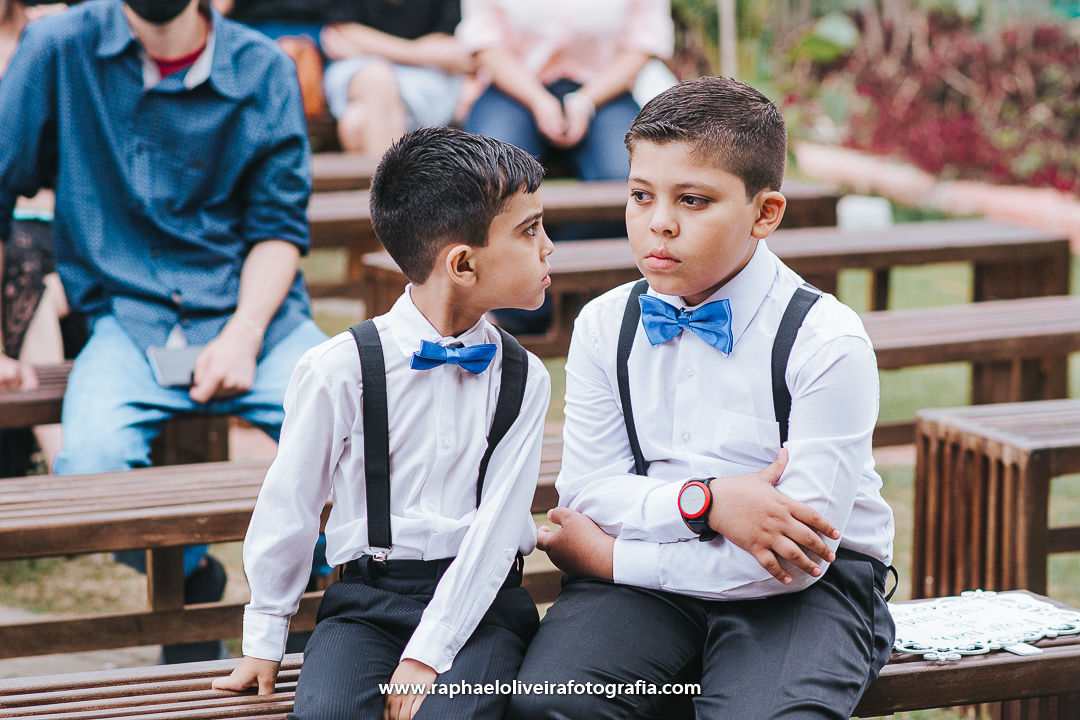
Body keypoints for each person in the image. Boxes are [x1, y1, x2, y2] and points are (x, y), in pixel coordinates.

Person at [509, 77, 896, 720]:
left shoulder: (826, 340)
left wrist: (612, 556)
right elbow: (588, 493)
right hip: (648, 581)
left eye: (692, 200)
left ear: (765, 214)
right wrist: (708, 504)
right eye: (641, 195)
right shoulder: (606, 325)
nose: (659, 222)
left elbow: (798, 555)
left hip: (808, 590)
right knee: (549, 707)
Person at [0, 0, 327, 661]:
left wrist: (243, 334)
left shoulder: (263, 66)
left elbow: (279, 228)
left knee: (366, 438)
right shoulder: (58, 46)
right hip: (128, 319)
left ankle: (317, 592)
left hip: (257, 317)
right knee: (89, 473)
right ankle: (190, 578)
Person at [212, 127, 553, 720]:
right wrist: (266, 635)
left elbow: (498, 532)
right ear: (463, 263)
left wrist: (427, 655)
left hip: (483, 607)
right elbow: (291, 502)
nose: (548, 247)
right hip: (366, 603)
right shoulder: (339, 368)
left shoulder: (524, 378)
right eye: (530, 230)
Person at [459, 0, 674, 184]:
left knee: (628, 176)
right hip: (513, 87)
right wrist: (538, 100)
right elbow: (485, 40)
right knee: (493, 176)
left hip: (606, 89)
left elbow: (644, 41)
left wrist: (584, 102)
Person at [319, 0, 469, 154]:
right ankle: (398, 169)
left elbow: (454, 48)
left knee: (355, 123)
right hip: (360, 70)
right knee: (377, 78)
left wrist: (373, 48)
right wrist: (419, 51)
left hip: (425, 77)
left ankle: (389, 168)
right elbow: (342, 30)